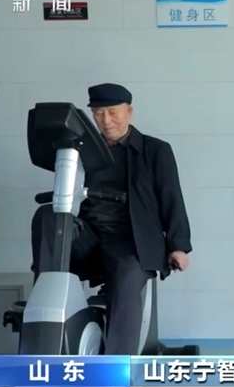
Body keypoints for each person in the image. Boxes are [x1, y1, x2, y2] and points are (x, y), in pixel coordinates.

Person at [30, 83, 193, 355]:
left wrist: (179, 246)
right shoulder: (80, 151)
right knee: (47, 215)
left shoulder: (155, 150)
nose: (106, 120)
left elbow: (171, 198)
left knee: (126, 282)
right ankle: (45, 294)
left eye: (113, 113)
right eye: (98, 113)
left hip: (133, 243)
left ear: (129, 112)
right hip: (88, 236)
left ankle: (116, 368)